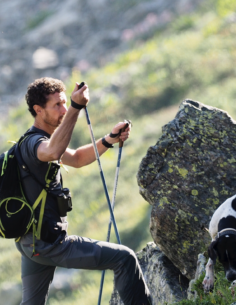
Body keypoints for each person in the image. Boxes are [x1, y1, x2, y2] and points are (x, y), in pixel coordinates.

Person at [15, 77, 151, 304]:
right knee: (124, 258)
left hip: (32, 242)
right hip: (48, 243)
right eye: (56, 105)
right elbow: (51, 151)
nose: (63, 109)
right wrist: (77, 108)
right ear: (38, 110)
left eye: (64, 103)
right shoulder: (34, 144)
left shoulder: (40, 141)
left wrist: (109, 140)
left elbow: (76, 158)